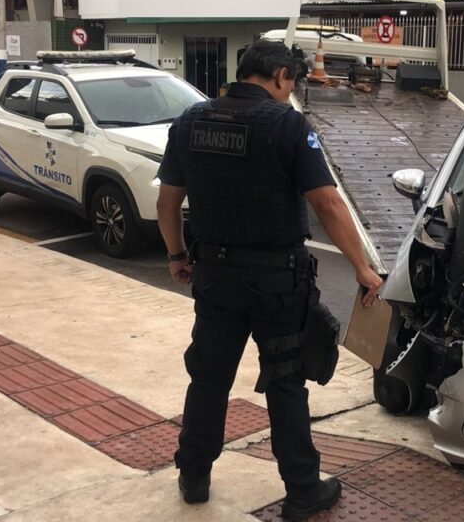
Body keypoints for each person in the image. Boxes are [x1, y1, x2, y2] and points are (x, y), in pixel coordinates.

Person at [155, 40, 383, 521]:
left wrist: (177, 254)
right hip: (277, 283)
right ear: (280, 75)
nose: (292, 93)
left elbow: (168, 202)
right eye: (293, 84)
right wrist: (363, 267)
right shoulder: (287, 124)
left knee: (208, 378)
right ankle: (302, 492)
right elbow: (327, 203)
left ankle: (194, 476)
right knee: (285, 383)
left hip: (214, 276)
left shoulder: (190, 120)